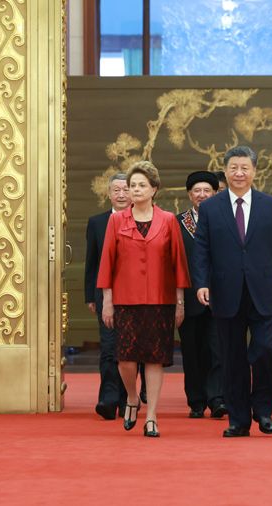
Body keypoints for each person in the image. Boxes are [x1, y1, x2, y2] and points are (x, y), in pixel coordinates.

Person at [193, 145, 272, 438]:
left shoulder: (270, 205)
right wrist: (201, 283)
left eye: (244, 168)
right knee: (232, 357)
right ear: (225, 171)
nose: (239, 173)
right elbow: (201, 250)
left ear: (254, 171)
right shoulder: (210, 207)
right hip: (225, 291)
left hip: (265, 290)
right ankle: (238, 420)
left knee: (265, 350)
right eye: (234, 168)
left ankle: (262, 410)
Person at [97, 161, 191, 437]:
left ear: (154, 189)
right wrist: (107, 300)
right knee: (125, 359)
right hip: (126, 299)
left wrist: (180, 302)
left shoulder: (168, 220)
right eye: (132, 185)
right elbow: (107, 263)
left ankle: (152, 417)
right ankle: (131, 396)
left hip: (160, 300)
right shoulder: (117, 220)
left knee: (154, 359)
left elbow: (178, 263)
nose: (135, 190)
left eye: (141, 185)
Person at [84, 173, 146, 420]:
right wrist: (91, 295)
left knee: (130, 348)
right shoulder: (97, 222)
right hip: (105, 294)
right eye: (116, 190)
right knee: (109, 347)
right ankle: (108, 399)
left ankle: (126, 398)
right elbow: (91, 262)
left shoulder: (143, 219)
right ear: (108, 194)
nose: (121, 195)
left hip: (135, 294)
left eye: (125, 190)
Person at [177, 171, 227, 419]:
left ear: (216, 193)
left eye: (207, 190)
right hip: (188, 298)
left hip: (221, 295)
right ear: (189, 195)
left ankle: (217, 399)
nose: (202, 195)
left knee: (219, 350)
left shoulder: (226, 219)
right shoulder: (177, 223)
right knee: (192, 351)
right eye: (197, 190)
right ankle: (196, 401)